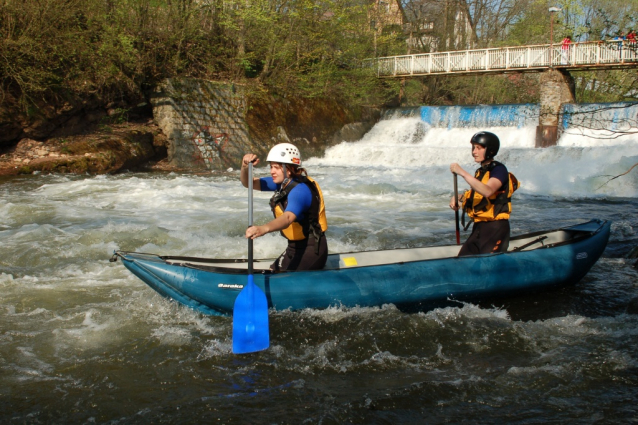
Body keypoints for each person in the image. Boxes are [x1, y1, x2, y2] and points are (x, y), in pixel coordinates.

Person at [240, 143, 328, 272]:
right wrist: (244, 167)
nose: (272, 171)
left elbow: (287, 218)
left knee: (279, 277)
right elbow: (248, 183)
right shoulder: (282, 183)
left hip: (311, 249)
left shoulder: (300, 191)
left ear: (288, 169)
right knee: (272, 271)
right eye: (271, 167)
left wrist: (263, 229)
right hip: (293, 247)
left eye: (276, 167)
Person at [449, 131, 519, 257]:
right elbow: (475, 195)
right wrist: (457, 198)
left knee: (488, 267)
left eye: (479, 148)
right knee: (462, 264)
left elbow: (488, 191)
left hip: (495, 229)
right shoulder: (480, 172)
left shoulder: (499, 169)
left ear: (490, 150)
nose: (474, 152)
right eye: (473, 148)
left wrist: (463, 173)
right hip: (479, 228)